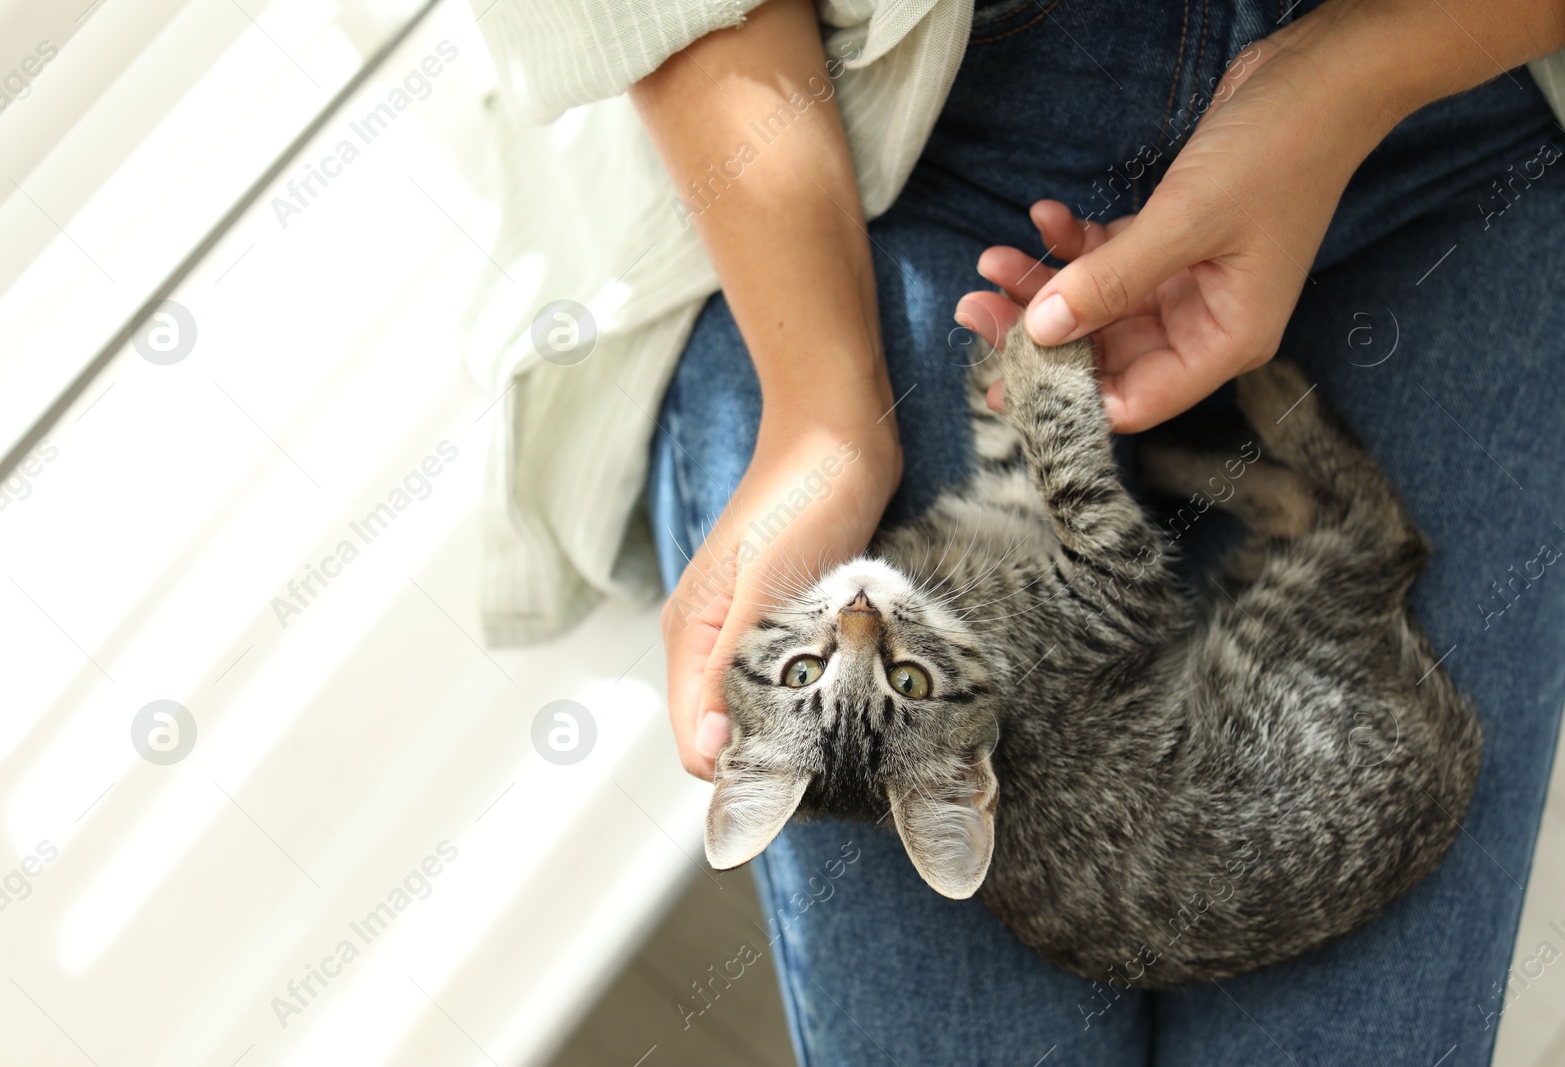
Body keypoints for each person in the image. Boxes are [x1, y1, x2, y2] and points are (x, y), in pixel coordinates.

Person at [481, 0, 1565, 1061]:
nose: (858, 629)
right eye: (896, 681)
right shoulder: (954, 702)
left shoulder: (916, 642)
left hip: (1466, 110)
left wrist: (1349, 76)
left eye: (812, 661)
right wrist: (823, 416)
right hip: (904, 118)